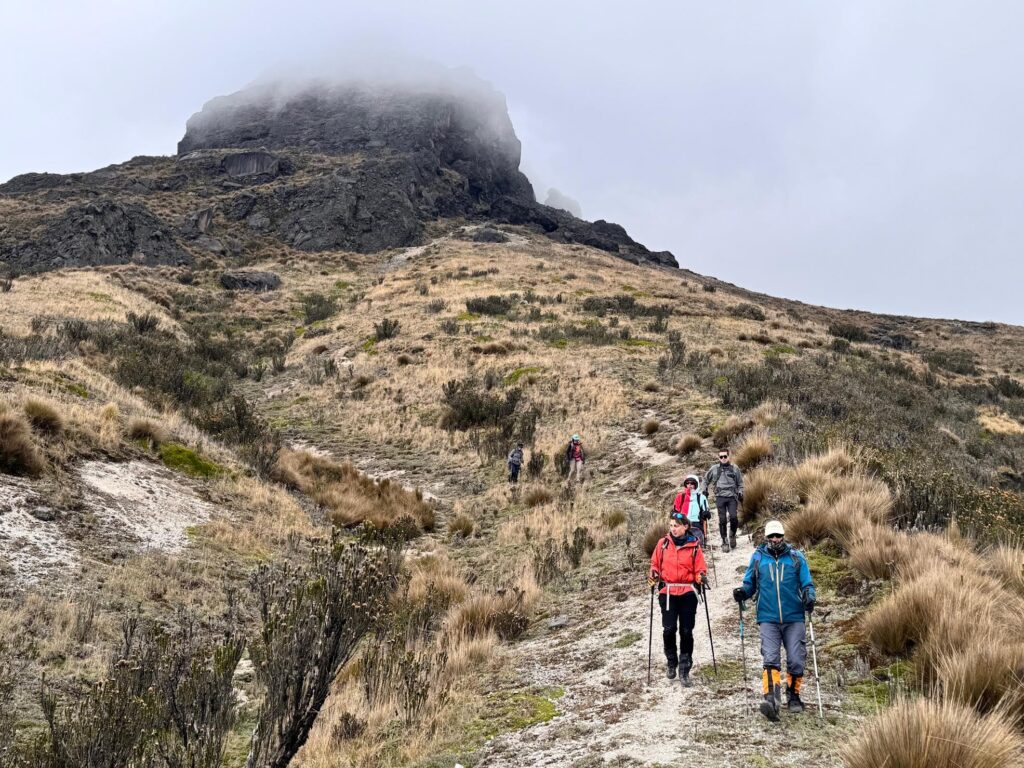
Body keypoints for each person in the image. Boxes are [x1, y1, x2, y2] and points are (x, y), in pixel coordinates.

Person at [732, 519, 816, 721]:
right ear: (766, 537)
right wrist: (743, 592)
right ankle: (771, 700)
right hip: (767, 617)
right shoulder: (758, 558)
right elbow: (749, 583)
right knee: (770, 658)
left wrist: (809, 596)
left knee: (796, 659)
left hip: (794, 617)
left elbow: (807, 583)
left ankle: (793, 695)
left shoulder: (796, 558)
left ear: (783, 536)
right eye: (771, 536)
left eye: (778, 535)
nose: (775, 539)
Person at [649, 512, 709, 687]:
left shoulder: (695, 546)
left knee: (686, 631)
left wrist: (701, 577)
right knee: (668, 629)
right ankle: (671, 661)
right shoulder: (662, 544)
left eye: (676, 526)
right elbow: (654, 564)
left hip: (688, 592)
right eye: (671, 526)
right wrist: (653, 574)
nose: (673, 529)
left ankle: (684, 667)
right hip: (667, 591)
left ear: (685, 527)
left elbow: (700, 568)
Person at [704, 449, 744, 552]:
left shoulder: (735, 468)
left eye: (725, 456)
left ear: (728, 457)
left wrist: (740, 492)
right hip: (720, 497)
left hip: (732, 497)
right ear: (718, 458)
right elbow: (705, 480)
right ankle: (724, 541)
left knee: (734, 517)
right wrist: (704, 490)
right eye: (721, 457)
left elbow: (740, 483)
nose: (723, 459)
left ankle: (732, 535)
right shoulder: (714, 469)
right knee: (722, 520)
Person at [671, 475, 711, 548]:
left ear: (696, 484)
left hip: (697, 524)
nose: (689, 485)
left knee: (695, 546)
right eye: (687, 483)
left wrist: (706, 514)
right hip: (682, 524)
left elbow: (707, 515)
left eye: (692, 483)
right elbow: (673, 513)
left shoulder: (702, 497)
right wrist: (679, 516)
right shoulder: (680, 497)